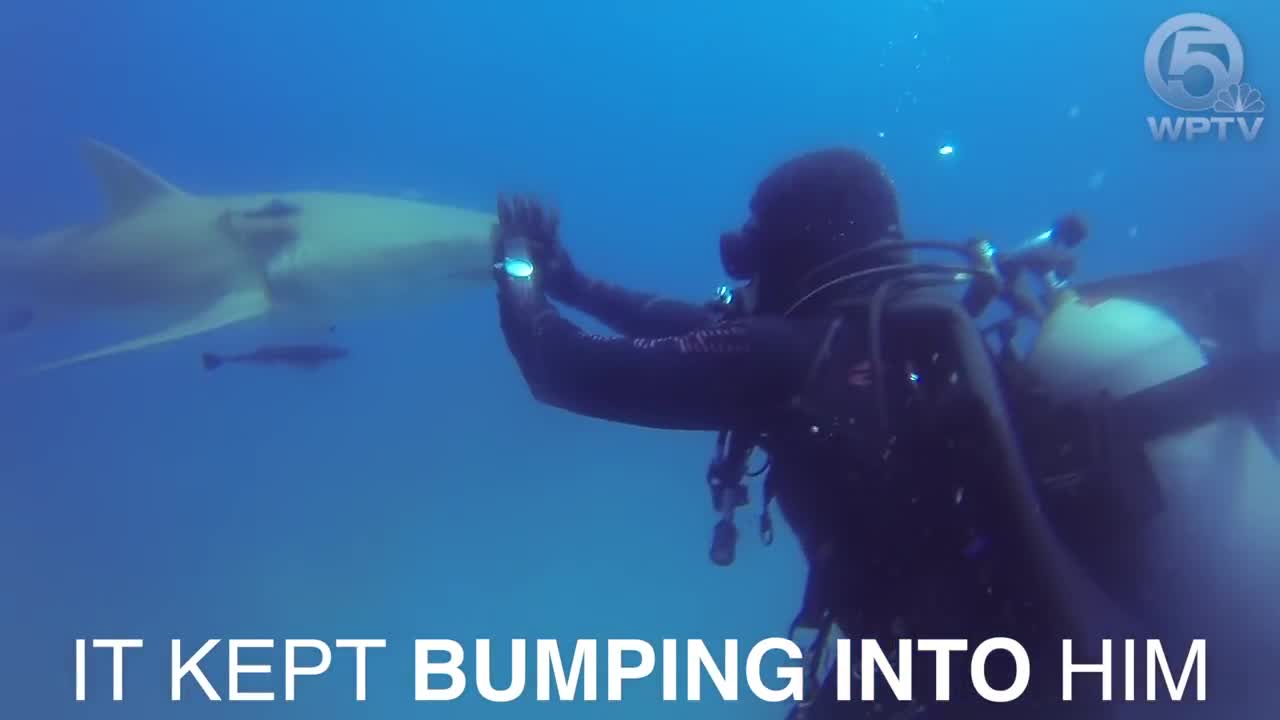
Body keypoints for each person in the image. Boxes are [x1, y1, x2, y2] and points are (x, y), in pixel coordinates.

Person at [488, 148, 1278, 718]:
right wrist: (570, 280)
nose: (743, 274)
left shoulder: (794, 353)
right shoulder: (904, 332)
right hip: (1015, 664)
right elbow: (694, 328)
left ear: (794, 249)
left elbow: (563, 370)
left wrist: (515, 271)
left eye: (751, 248)